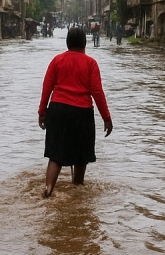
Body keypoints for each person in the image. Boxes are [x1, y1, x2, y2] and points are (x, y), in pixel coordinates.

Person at [37, 27, 113, 197]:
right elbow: (97, 92)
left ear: (67, 43)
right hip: (82, 113)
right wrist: (106, 118)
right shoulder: (91, 63)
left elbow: (46, 88)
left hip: (57, 110)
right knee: (81, 156)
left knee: (55, 155)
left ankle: (48, 189)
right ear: (85, 44)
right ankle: (78, 190)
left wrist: (42, 112)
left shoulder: (57, 61)